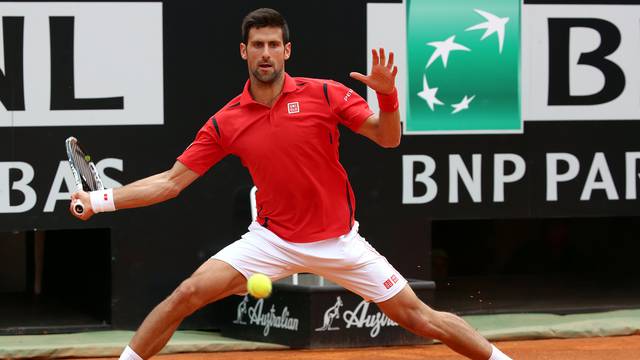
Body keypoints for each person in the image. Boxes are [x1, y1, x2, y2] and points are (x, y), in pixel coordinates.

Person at [70, 8, 511, 360]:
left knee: (421, 319)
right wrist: (99, 200)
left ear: (287, 51)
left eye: (274, 45)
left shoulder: (324, 94)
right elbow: (169, 182)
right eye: (257, 45)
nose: (266, 53)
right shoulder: (226, 121)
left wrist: (389, 96)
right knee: (186, 294)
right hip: (270, 241)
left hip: (341, 243)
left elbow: (387, 137)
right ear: (244, 51)